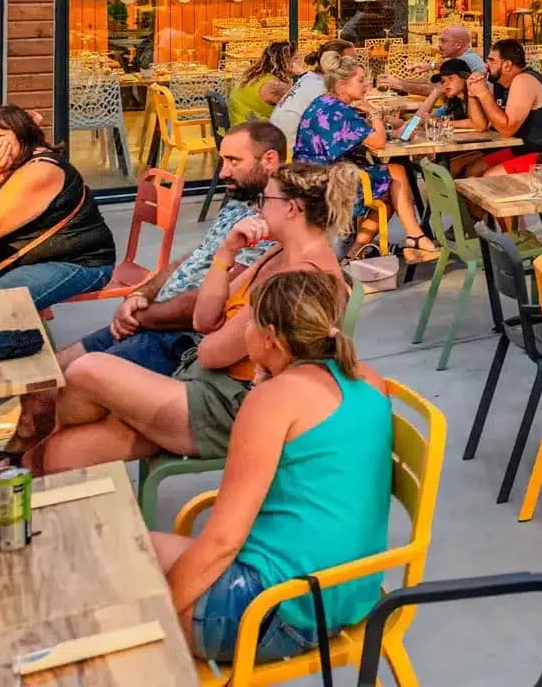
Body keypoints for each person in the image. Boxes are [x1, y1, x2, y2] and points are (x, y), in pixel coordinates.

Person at [30, 162, 359, 475]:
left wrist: (212, 335)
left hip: (236, 407)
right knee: (59, 453)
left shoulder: (301, 279)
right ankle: (39, 495)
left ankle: (30, 480)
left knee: (86, 370)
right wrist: (226, 253)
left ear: (292, 208)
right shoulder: (277, 253)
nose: (257, 208)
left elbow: (211, 352)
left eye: (265, 199)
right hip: (202, 384)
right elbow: (204, 320)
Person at [0, 123, 288, 468]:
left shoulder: (270, 223)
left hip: (177, 338)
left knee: (66, 397)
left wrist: (142, 316)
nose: (222, 171)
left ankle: (28, 470)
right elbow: (193, 258)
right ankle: (22, 457)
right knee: (45, 377)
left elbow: (208, 308)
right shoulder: (241, 203)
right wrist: (143, 293)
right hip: (155, 319)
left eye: (233, 161)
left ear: (269, 160)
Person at [153, 269, 392, 666]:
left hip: (276, 609)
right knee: (136, 550)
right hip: (350, 592)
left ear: (269, 336)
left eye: (244, 320)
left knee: (124, 575)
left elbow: (222, 542)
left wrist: (157, 616)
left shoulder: (274, 401)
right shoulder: (368, 379)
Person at [0, 105, 115, 308]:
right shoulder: (4, 164)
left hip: (76, 261)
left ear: (22, 136)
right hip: (14, 256)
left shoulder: (41, 171)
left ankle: (23, 338)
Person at [293, 57, 438, 263]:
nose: (367, 84)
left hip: (309, 177)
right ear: (342, 85)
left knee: (389, 187)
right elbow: (378, 142)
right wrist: (374, 113)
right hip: (327, 183)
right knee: (395, 173)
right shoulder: (341, 111)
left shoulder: (323, 102)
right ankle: (414, 237)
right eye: (361, 80)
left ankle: (359, 252)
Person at [468, 38, 542, 164]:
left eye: (491, 61)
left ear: (507, 65)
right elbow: (481, 126)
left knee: (489, 177)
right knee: (474, 168)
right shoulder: (502, 84)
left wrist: (484, 95)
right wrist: (472, 94)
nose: (486, 66)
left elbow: (507, 130)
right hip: (530, 150)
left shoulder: (524, 81)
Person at [269, 40, 355, 151]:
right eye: (351, 60)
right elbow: (342, 132)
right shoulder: (322, 89)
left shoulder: (311, 78)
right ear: (334, 62)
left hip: (280, 145)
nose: (355, 66)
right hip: (292, 155)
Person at [386, 24, 484, 95]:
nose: (439, 45)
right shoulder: (466, 58)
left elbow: (436, 89)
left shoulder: (465, 60)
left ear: (458, 44)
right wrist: (430, 66)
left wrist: (399, 84)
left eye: (443, 41)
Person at [228, 42, 294, 125]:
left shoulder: (254, 76)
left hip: (239, 128)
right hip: (255, 133)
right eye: (295, 58)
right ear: (285, 62)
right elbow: (297, 109)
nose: (301, 62)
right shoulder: (275, 85)